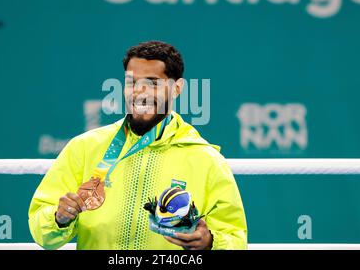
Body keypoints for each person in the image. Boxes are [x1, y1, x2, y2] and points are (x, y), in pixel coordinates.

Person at [28, 40, 247, 250]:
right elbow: (42, 234)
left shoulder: (206, 160)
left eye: (152, 83)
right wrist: (59, 218)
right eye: (132, 82)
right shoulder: (84, 147)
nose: (140, 93)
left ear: (177, 88)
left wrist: (210, 243)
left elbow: (235, 239)